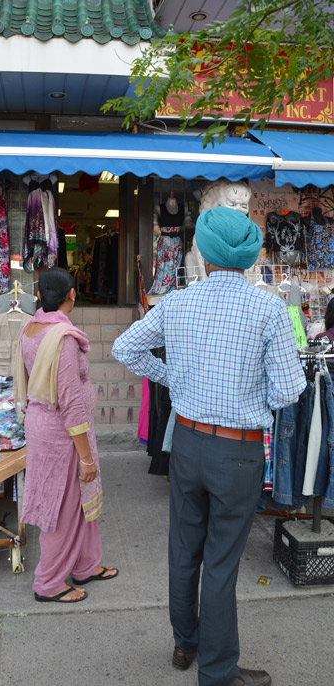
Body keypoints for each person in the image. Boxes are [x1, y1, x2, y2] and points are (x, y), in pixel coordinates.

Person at [112, 206, 306, 686]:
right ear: (250, 255)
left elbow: (124, 348)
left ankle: (185, 644)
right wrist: (249, 396)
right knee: (220, 561)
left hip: (188, 443)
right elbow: (289, 391)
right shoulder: (269, 309)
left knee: (184, 548)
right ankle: (218, 672)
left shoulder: (177, 302)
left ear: (200, 250)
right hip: (237, 452)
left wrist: (173, 379)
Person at [15, 267, 118, 603]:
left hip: (43, 424)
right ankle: (48, 583)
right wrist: (85, 456)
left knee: (79, 500)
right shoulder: (64, 339)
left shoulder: (31, 327)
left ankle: (86, 564)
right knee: (61, 506)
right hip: (63, 434)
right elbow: (71, 402)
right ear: (71, 295)